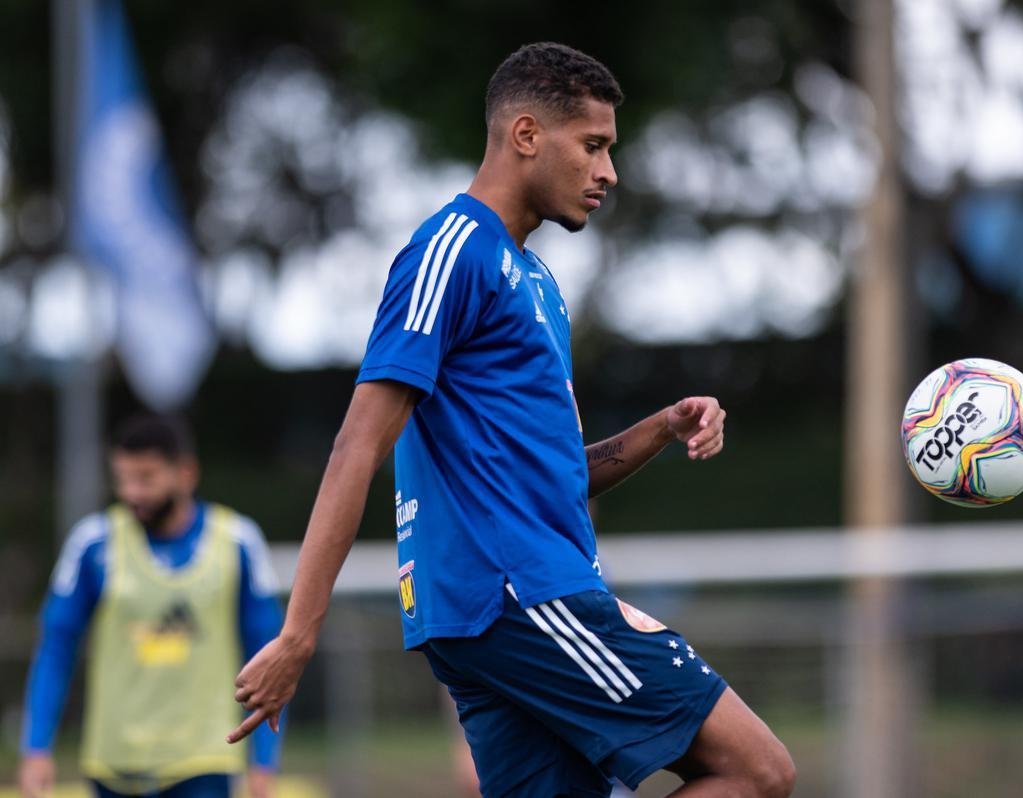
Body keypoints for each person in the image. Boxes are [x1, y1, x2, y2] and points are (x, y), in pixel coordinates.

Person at [227, 42, 796, 797]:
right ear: (527, 135)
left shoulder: (535, 280)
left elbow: (554, 477)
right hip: (519, 594)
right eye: (593, 146)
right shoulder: (452, 250)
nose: (608, 172)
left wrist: (660, 427)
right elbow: (355, 448)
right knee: (757, 772)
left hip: (488, 611)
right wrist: (299, 634)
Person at [19, 415, 284, 798]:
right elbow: (56, 648)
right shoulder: (93, 544)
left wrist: (264, 762)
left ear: (186, 473)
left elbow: (269, 658)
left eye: (145, 478)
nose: (131, 492)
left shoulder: (238, 542)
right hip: (114, 767)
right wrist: (36, 747)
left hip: (204, 764)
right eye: (122, 478)